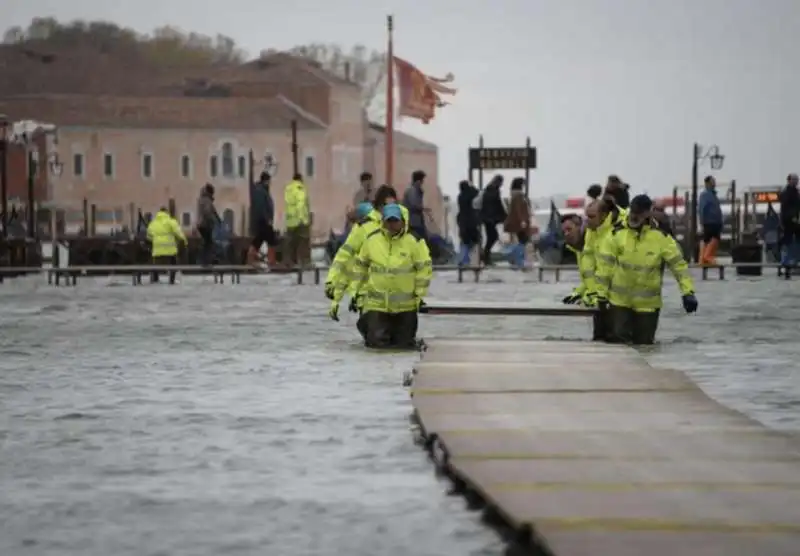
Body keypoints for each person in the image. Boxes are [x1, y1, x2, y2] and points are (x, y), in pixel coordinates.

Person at [595, 195, 697, 345]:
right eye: (633, 212)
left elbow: (679, 267)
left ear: (648, 213)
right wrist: (601, 295)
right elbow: (604, 267)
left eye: (639, 213)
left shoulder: (661, 238)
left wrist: (688, 292)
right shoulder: (616, 235)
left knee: (645, 347)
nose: (635, 216)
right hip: (619, 303)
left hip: (648, 306)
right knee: (619, 345)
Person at [336, 203, 432, 349]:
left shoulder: (415, 242)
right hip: (377, 307)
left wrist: (419, 295)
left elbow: (424, 270)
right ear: (383, 222)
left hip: (406, 308)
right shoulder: (372, 241)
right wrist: (355, 293)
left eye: (395, 221)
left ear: (403, 221)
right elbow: (360, 267)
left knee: (404, 347)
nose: (392, 225)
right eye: (388, 221)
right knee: (376, 346)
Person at [147, 207, 187, 284]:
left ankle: (154, 279)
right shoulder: (171, 222)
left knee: (155, 264)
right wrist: (185, 242)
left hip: (157, 251)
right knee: (173, 264)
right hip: (170, 250)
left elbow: (149, 236)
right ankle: (171, 281)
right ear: (167, 212)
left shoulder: (153, 223)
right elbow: (179, 234)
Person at [247, 172, 276, 266]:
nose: (270, 183)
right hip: (263, 221)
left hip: (263, 221)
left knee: (258, 240)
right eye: (269, 181)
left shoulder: (262, 190)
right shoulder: (260, 191)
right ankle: (271, 261)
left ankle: (251, 259)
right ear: (265, 181)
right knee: (271, 240)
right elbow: (261, 207)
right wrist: (267, 218)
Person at [284, 173, 311, 268]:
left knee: (291, 242)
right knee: (304, 241)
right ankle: (305, 262)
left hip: (290, 220)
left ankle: (290, 262)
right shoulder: (300, 188)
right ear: (300, 179)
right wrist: (303, 219)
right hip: (299, 219)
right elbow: (301, 203)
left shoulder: (288, 189)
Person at [504, 177, 531, 268]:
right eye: (523, 184)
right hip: (520, 223)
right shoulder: (519, 196)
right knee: (523, 240)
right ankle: (517, 259)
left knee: (522, 240)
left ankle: (517, 259)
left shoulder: (514, 196)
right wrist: (522, 220)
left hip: (517, 222)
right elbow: (519, 209)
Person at [479, 175, 507, 265]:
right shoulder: (495, 191)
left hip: (487, 218)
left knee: (491, 237)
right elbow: (498, 204)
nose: (502, 184)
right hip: (490, 218)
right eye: (501, 182)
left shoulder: (487, 190)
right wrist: (504, 216)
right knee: (493, 237)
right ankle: (485, 256)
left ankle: (486, 256)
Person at [698, 175, 723, 265]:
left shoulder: (713, 195)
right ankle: (707, 257)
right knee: (713, 238)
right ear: (707, 183)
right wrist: (702, 221)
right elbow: (702, 209)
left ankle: (704, 259)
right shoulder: (705, 195)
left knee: (708, 240)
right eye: (712, 181)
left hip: (715, 221)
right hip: (709, 221)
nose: (714, 183)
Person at [779, 173, 800, 276]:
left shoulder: (792, 192)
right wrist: (793, 217)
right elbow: (788, 207)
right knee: (790, 242)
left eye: (797, 179)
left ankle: (788, 262)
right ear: (789, 181)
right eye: (794, 179)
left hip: (792, 221)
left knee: (789, 242)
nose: (797, 181)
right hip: (790, 221)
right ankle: (789, 262)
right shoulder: (789, 193)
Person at [456, 180, 481, 266]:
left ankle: (464, 259)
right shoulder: (470, 195)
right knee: (475, 240)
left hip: (462, 221)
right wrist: (472, 185)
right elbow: (476, 191)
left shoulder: (460, 196)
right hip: (470, 222)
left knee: (465, 241)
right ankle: (466, 259)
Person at [196, 184, 221, 266]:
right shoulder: (207, 200)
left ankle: (207, 260)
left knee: (208, 242)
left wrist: (218, 218)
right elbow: (208, 212)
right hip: (205, 224)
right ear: (210, 192)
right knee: (208, 243)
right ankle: (206, 261)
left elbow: (213, 210)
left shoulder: (203, 198)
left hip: (200, 224)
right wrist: (214, 220)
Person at [403, 170, 427, 241]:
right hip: (413, 222)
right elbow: (415, 205)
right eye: (422, 180)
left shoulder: (416, 190)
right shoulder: (412, 190)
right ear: (418, 181)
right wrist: (424, 208)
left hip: (416, 221)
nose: (423, 183)